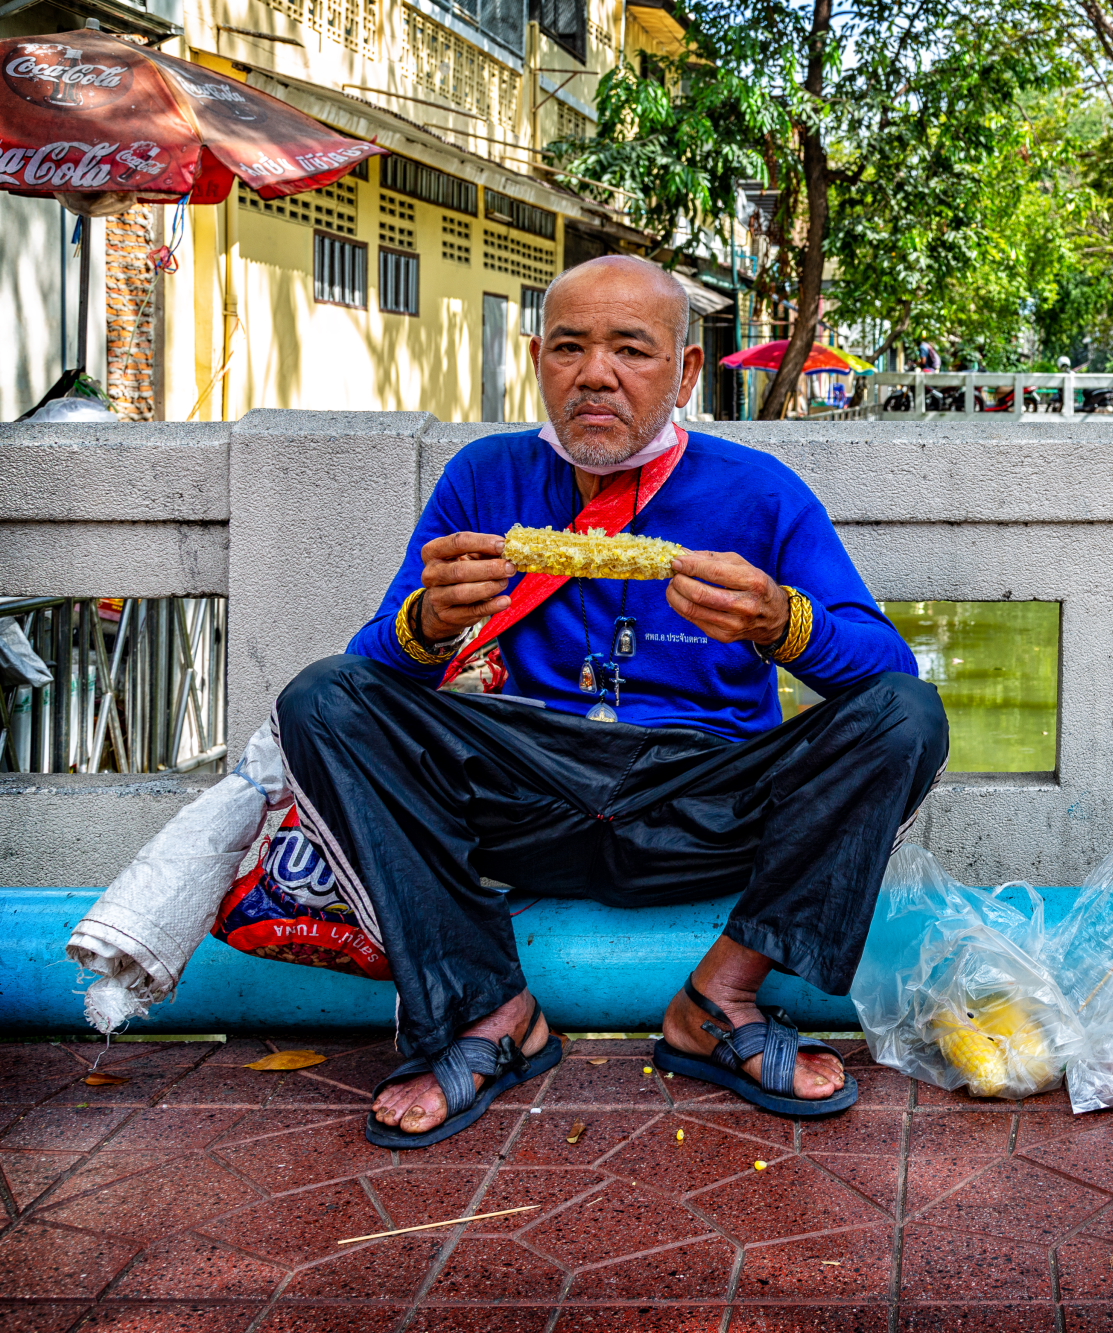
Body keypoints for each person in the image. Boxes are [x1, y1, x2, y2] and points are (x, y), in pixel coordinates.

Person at [275, 255, 949, 1147]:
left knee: (909, 713)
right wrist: (425, 625)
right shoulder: (485, 480)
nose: (596, 374)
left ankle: (722, 997)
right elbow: (375, 679)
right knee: (322, 697)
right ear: (538, 360)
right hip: (524, 794)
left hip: (707, 801)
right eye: (569, 348)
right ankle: (491, 1010)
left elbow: (884, 667)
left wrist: (785, 623)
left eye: (631, 349)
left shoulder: (760, 493)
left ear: (686, 372)